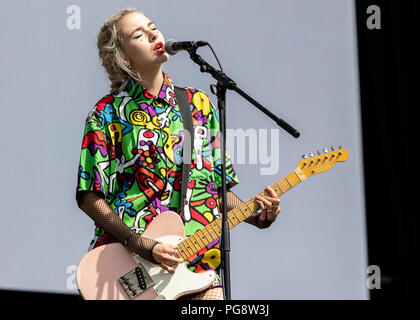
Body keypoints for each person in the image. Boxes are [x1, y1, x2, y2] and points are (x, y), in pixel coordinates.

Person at [75, 7, 282, 300]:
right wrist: (141, 244)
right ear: (123, 58)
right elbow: (89, 196)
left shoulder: (199, 104)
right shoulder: (106, 114)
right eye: (139, 34)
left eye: (153, 27)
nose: (153, 34)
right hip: (131, 264)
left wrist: (256, 215)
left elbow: (213, 188)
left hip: (198, 264)